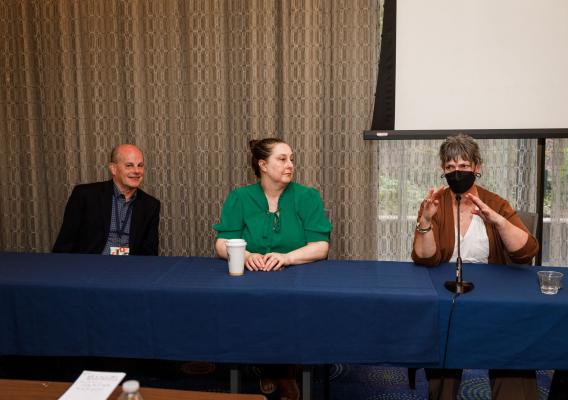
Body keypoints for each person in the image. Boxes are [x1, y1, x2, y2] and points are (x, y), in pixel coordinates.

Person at [412, 134, 539, 400]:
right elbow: (425, 258)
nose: (456, 173)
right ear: (443, 170)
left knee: (513, 351)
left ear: (477, 167)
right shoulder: (436, 204)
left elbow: (526, 253)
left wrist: (498, 221)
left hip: (495, 296)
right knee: (443, 350)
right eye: (450, 168)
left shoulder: (496, 203)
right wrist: (425, 221)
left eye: (464, 166)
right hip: (448, 295)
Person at [213, 138, 332, 400]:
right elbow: (221, 244)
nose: (290, 165)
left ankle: (286, 372)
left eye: (291, 158)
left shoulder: (307, 196)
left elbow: (320, 247)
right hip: (252, 278)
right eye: (282, 159)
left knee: (292, 309)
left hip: (297, 278)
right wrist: (246, 255)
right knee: (254, 308)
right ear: (263, 165)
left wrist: (287, 257)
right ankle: (268, 367)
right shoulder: (240, 197)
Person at [53, 144, 160, 256]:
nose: (137, 171)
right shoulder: (85, 195)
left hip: (129, 267)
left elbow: (149, 252)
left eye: (140, 165)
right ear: (113, 169)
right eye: (129, 165)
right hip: (89, 265)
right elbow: (65, 243)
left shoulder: (151, 205)